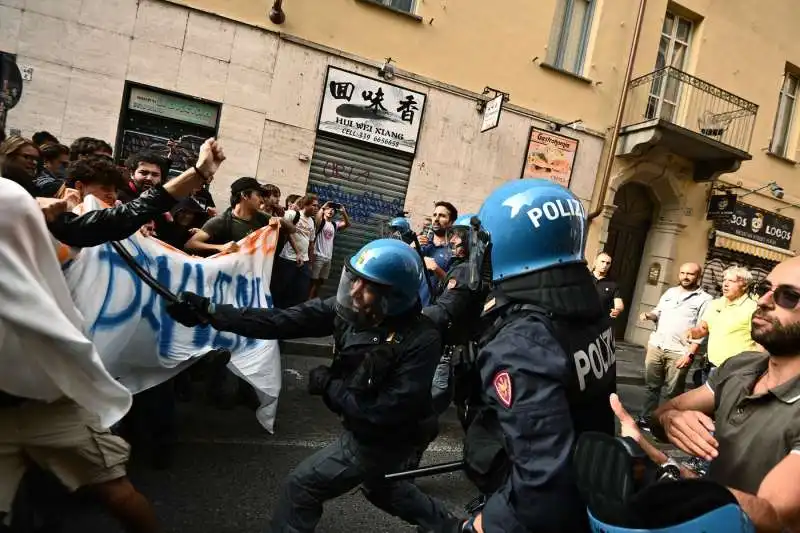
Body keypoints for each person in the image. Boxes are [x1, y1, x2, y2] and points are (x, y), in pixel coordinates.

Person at [165, 239, 456, 532]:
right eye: (354, 280)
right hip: (371, 423)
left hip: (387, 436)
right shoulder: (349, 312)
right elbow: (281, 320)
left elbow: (386, 412)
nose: (354, 292)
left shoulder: (421, 339)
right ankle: (452, 528)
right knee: (384, 487)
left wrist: (331, 387)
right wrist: (212, 312)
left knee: (302, 488)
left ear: (393, 297)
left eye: (368, 287)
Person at [455, 178, 616, 533]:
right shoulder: (584, 308)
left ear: (514, 243)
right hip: (591, 482)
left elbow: (543, 483)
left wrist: (484, 525)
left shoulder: (521, 343)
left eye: (484, 242)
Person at [609, 260, 800, 531]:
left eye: (789, 296)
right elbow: (661, 416)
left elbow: (772, 517)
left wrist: (669, 472)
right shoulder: (741, 366)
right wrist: (670, 423)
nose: (765, 300)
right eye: (765, 288)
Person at [422, 214, 489, 423]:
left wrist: (409, 317)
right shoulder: (466, 268)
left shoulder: (465, 270)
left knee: (425, 412)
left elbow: (444, 311)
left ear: (472, 241)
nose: (452, 240)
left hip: (450, 353)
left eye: (458, 236)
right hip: (456, 352)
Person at [637, 263, 712, 428]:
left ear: (698, 276)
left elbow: (702, 330)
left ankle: (666, 425)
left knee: (673, 392)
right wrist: (649, 315)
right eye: (682, 273)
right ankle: (646, 419)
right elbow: (658, 312)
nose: (685, 277)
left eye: (690, 274)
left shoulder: (705, 299)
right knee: (652, 387)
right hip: (657, 345)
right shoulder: (670, 292)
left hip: (680, 351)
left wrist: (690, 354)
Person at [592, 252, 624, 319]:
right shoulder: (583, 277)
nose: (605, 265)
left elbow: (619, 304)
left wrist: (617, 311)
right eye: (602, 261)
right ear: (595, 262)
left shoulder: (613, 285)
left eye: (608, 263)